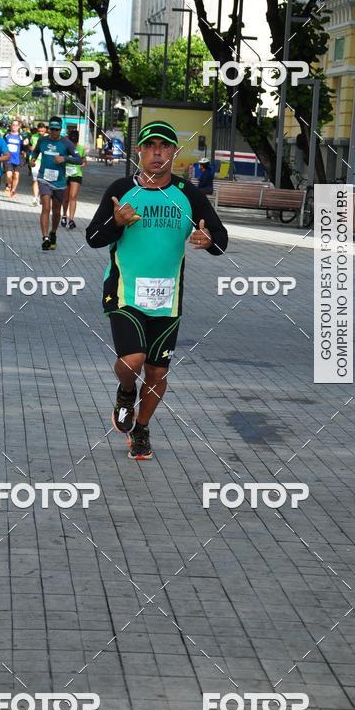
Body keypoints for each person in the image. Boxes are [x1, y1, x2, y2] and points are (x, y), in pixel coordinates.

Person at [85, 120, 228, 461]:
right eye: (151, 147)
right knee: (132, 360)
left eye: (165, 147)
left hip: (167, 297)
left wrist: (209, 241)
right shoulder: (122, 190)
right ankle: (124, 391)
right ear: (140, 152)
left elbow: (220, 240)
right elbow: (93, 238)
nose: (157, 153)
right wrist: (115, 222)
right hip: (124, 291)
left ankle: (142, 427)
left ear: (174, 154)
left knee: (157, 371)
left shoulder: (188, 194)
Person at [31, 116, 83, 250]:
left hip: (59, 182)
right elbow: (36, 151)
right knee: (46, 207)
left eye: (57, 129)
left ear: (60, 129)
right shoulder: (42, 140)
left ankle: (53, 232)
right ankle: (45, 238)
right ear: (49, 129)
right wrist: (32, 159)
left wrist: (64, 158)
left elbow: (79, 160)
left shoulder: (66, 143)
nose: (54, 132)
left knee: (56, 211)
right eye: (52, 129)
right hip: (44, 179)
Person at [61, 130, 87, 229]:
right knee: (66, 198)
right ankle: (64, 215)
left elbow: (84, 160)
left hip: (76, 174)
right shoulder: (65, 147)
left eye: (75, 142)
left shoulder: (80, 148)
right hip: (66, 174)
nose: (74, 144)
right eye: (72, 142)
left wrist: (83, 163)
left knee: (73, 197)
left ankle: (71, 219)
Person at [3, 119, 23, 197]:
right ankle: (8, 185)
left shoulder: (21, 137)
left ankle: (13, 191)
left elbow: (25, 147)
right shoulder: (6, 135)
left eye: (16, 125)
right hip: (8, 158)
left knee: (16, 176)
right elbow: (2, 145)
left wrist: (25, 147)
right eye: (13, 125)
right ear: (11, 126)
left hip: (17, 159)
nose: (14, 126)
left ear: (19, 126)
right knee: (9, 175)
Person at [29, 122, 46, 206]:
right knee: (35, 179)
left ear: (45, 130)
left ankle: (42, 198)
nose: (40, 133)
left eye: (42, 131)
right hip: (35, 161)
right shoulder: (33, 137)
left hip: (45, 162)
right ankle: (35, 198)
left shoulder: (48, 137)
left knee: (43, 181)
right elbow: (31, 146)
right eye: (39, 131)